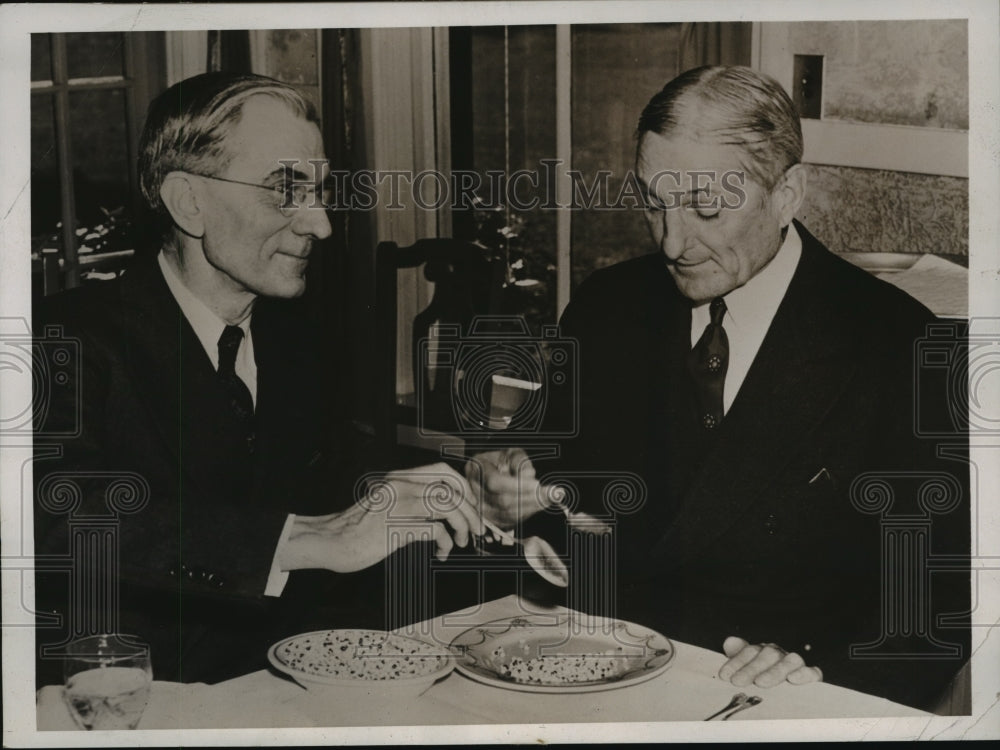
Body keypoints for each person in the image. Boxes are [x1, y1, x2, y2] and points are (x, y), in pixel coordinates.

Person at [32, 72, 542, 685]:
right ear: (188, 201)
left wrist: (453, 489)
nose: (320, 224)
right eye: (285, 189)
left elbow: (334, 478)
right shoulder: (60, 340)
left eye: (321, 191)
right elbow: (57, 513)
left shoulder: (297, 338)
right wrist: (300, 539)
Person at [541, 65, 969, 711]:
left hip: (785, 697)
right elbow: (562, 489)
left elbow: (941, 592)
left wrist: (812, 669)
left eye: (707, 208)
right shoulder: (608, 307)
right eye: (655, 203)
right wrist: (522, 506)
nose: (675, 242)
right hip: (607, 676)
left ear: (788, 193)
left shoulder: (904, 345)